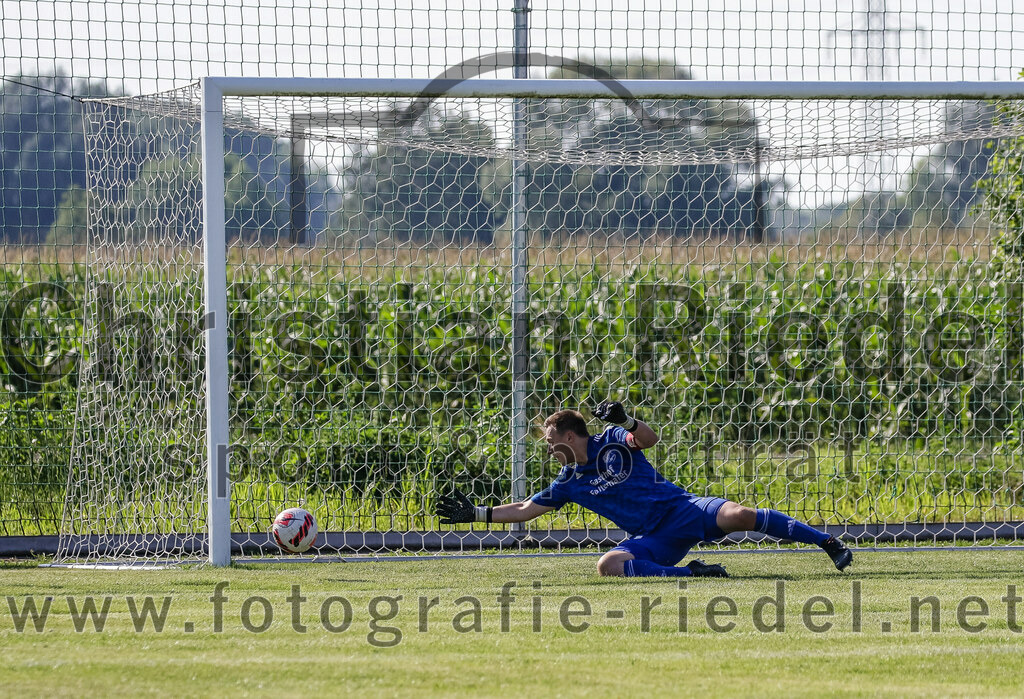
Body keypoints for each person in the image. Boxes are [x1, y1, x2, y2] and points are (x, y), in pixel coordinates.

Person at [435, 401, 852, 578]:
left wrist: (629, 420)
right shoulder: (568, 483)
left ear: (571, 435)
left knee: (739, 516)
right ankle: (690, 573)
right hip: (654, 538)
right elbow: (525, 509)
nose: (547, 448)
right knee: (607, 566)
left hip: (683, 508)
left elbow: (650, 439)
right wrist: (477, 514)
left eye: (550, 440)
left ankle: (826, 541)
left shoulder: (612, 439)